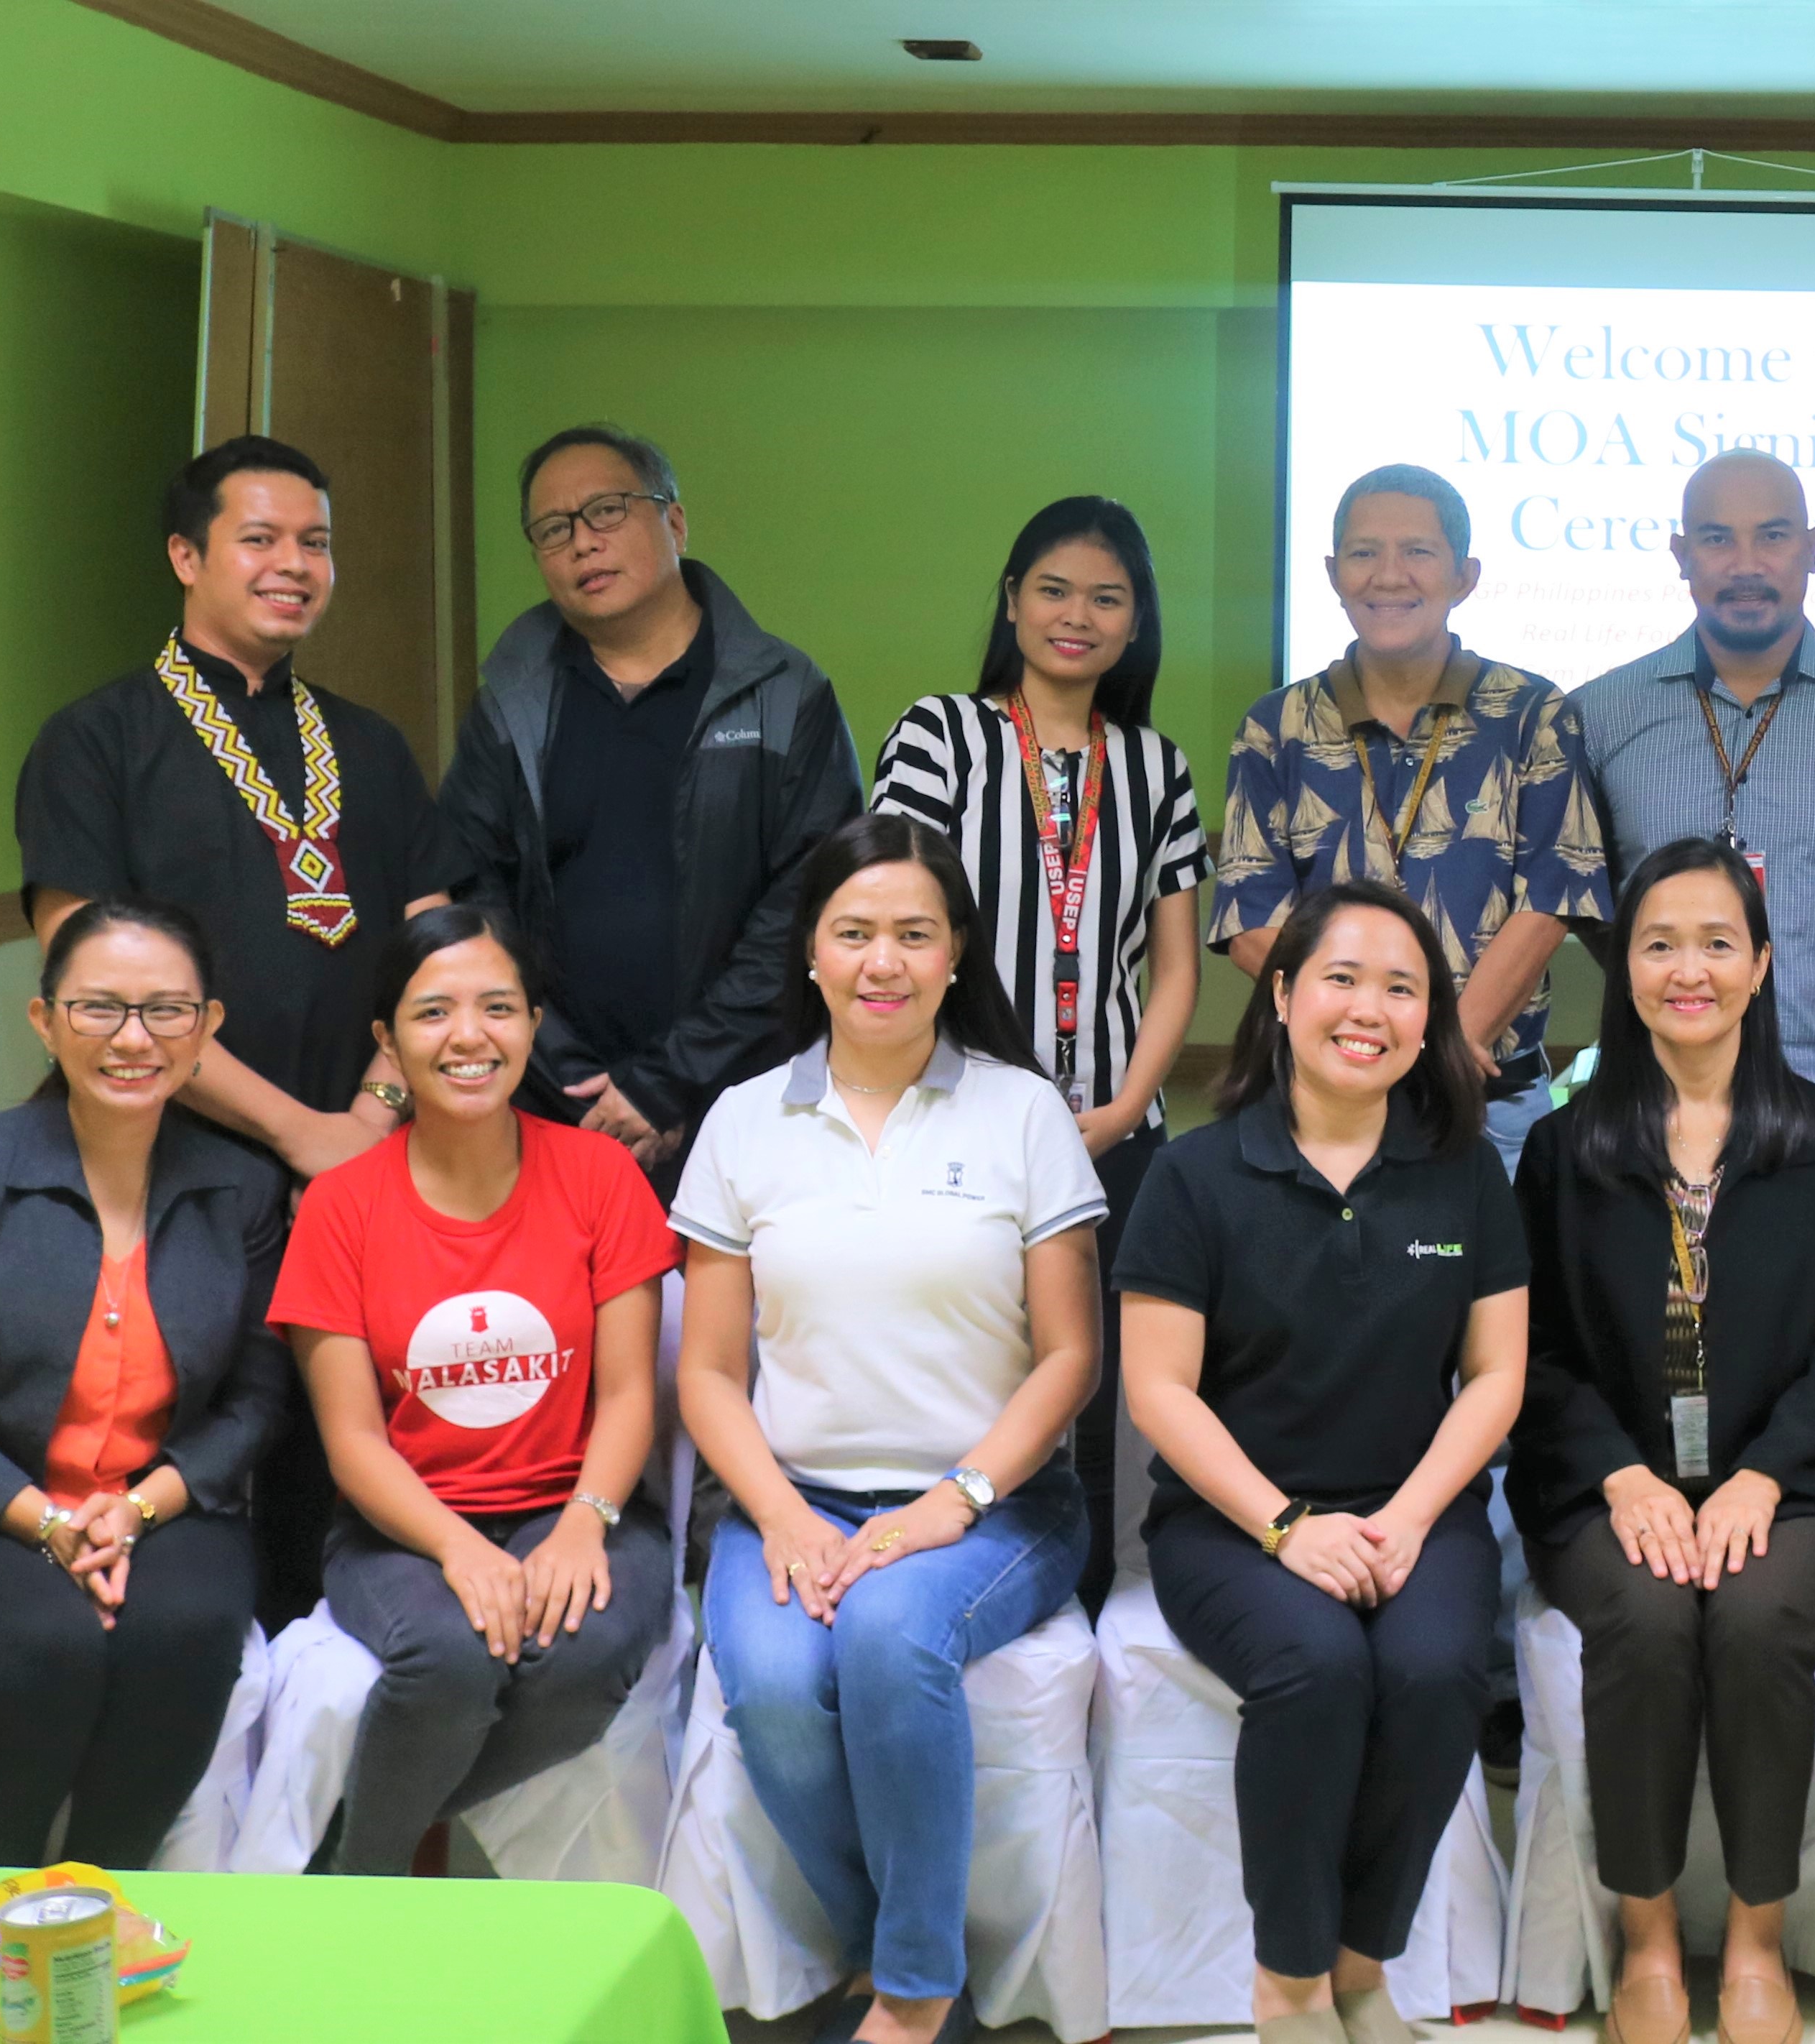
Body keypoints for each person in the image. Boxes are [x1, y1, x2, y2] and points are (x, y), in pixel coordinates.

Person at [672, 816, 1107, 2044]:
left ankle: (911, 1999)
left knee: (884, 1630)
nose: (883, 960)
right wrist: (783, 1513)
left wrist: (952, 1499)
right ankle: (894, 1941)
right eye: (853, 931)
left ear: (956, 952)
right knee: (765, 1677)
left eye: (915, 932)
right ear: (809, 951)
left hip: (996, 1506)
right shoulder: (744, 1122)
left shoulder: (1023, 1112)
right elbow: (708, 1370)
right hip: (795, 1492)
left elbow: (1071, 1353)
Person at [15, 435, 457, 1626]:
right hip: (169, 1175)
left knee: (337, 1463)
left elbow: (434, 955)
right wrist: (296, 1128)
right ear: (185, 553)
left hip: (364, 1168)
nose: (292, 564)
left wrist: (370, 1114)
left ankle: (321, 1764)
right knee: (175, 1459)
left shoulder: (369, 743)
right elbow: (92, 994)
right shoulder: (97, 739)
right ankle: (169, 1741)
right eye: (258, 538)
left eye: (313, 541)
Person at [1117, 879, 1528, 2044]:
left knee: (1440, 1666)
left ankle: (1361, 1965)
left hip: (1416, 1505)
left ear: (1428, 1020)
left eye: (1403, 987)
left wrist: (1402, 1517)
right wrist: (1288, 1526)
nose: (1370, 1007)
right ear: (1285, 992)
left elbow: (1494, 1374)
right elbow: (1159, 1388)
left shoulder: (1462, 1172)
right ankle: (1286, 1982)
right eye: (1341, 977)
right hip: (1229, 1519)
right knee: (1313, 1665)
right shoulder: (1195, 1176)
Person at [1509, 839, 1815, 2044]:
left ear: (1761, 963)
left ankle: (1756, 1937)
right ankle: (1643, 1941)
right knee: (1643, 1615)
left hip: (1797, 1486)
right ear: (1623, 967)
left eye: (1717, 941)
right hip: (1603, 1482)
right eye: (1659, 942)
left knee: (1753, 1614)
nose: (1689, 969)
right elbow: (1535, 1355)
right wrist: (1620, 1473)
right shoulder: (1563, 1147)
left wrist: (1762, 1476)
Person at [0, 898, 290, 1866]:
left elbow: (257, 1400)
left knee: (188, 1630)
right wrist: (48, 1522)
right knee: (46, 1646)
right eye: (100, 1009)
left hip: (159, 1509)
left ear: (209, 1029)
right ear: (44, 1021)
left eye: (168, 1010)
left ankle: (99, 1906)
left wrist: (135, 1510)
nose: (134, 1038)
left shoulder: (241, 1189)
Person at [270, 905, 678, 1876]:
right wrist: (457, 1547)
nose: (468, 1037)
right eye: (432, 1012)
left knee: (576, 1654)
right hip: (402, 1525)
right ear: (388, 1041)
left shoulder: (600, 1175)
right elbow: (353, 1441)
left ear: (534, 1026)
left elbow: (628, 1397)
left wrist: (584, 1523)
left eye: (498, 1008)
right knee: (450, 1661)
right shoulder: (340, 1206)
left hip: (582, 1505)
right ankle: (374, 1881)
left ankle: (347, 1867)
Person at [871, 494, 1210, 1603]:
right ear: (1012, 601)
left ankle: (1100, 1594)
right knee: (969, 1362)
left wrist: (1124, 1110)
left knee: (1106, 1379)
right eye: (1054, 590)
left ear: (1135, 622)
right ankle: (956, 1570)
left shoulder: (1157, 767)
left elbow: (1175, 970)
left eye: (1107, 598)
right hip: (954, 1116)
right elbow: (897, 923)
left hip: (1114, 1134)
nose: (1077, 616)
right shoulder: (942, 733)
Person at [440, 423, 867, 1187]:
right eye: (552, 529)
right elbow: (476, 899)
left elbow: (813, 905)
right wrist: (578, 1082)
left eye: (607, 511)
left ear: (673, 521)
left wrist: (666, 1078)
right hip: (554, 1107)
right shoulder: (510, 704)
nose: (582, 543)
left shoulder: (784, 694)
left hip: (749, 1104)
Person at [1212, 464, 1610, 1175]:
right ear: (1333, 574)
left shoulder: (1532, 715)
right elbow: (1249, 918)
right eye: (1365, 553)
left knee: (1495, 1287)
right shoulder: (1276, 727)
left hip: (1491, 1105)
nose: (1389, 576)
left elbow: (1553, 899)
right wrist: (1353, 1042)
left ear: (1466, 575)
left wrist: (1441, 1052)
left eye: (1418, 552)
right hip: (1320, 1099)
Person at [1574, 452, 1815, 1176]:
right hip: (1652, 1108)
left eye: (1772, 537)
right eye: (1715, 538)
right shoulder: (1598, 714)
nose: (1745, 564)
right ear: (1680, 555)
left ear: (1812, 547)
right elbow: (1590, 906)